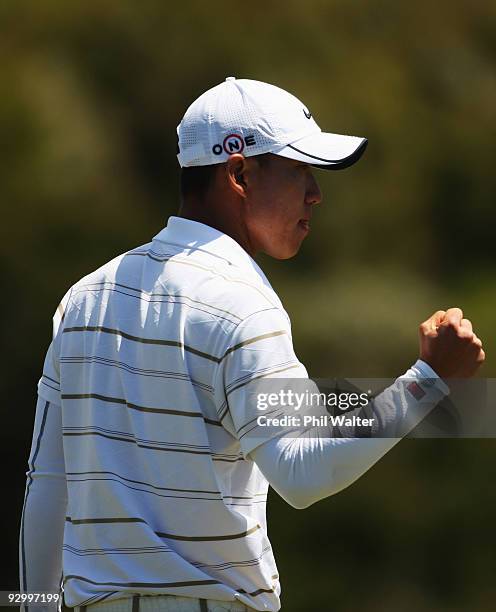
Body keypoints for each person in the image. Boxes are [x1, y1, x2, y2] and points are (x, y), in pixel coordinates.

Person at [20, 77, 485, 612]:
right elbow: (302, 469)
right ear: (238, 173)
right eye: (298, 170)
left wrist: (32, 605)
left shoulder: (84, 299)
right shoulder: (242, 303)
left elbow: (47, 488)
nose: (316, 193)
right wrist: (426, 382)